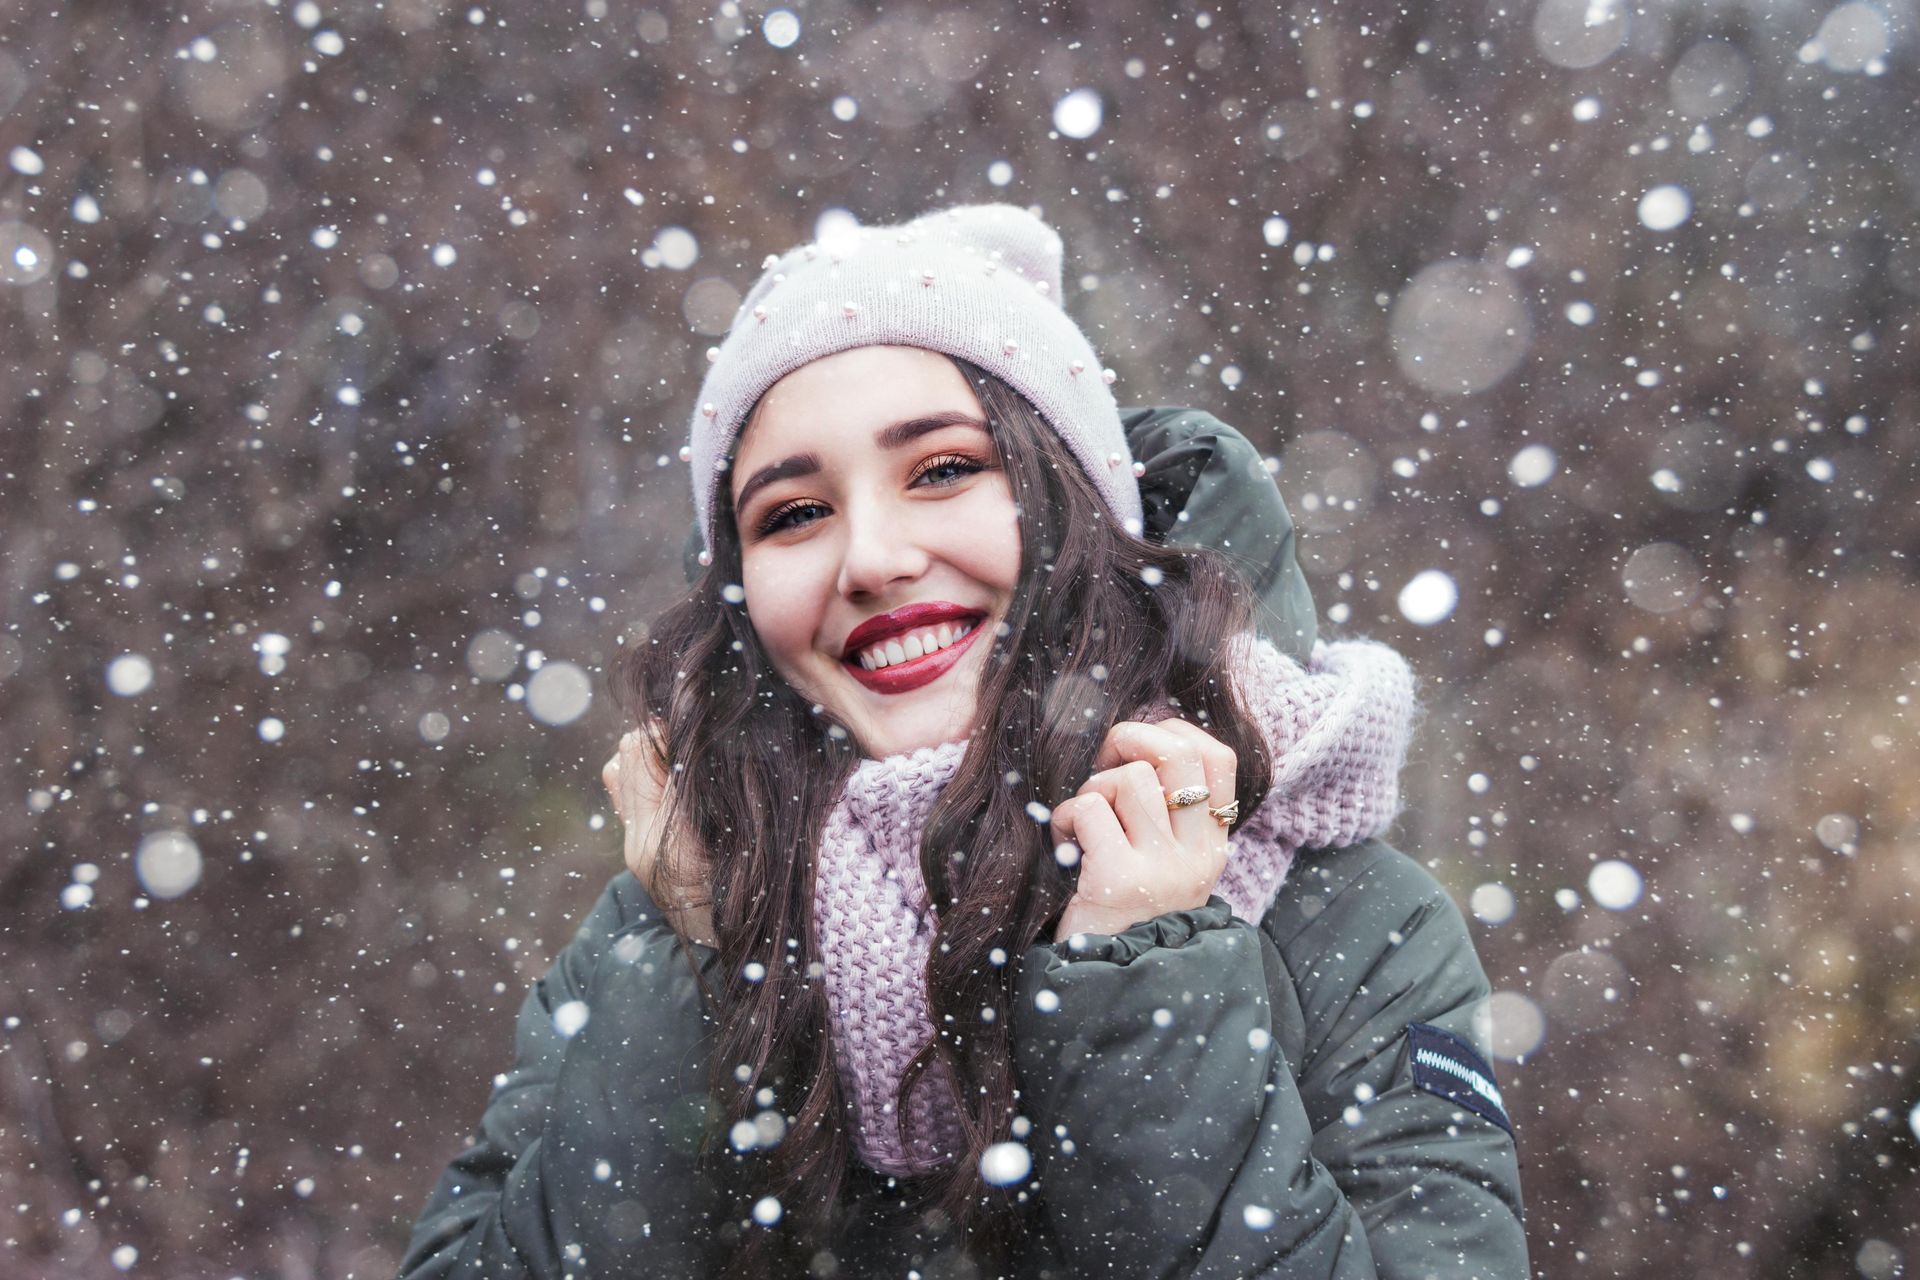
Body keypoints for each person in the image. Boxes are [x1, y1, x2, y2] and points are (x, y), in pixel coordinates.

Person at [399, 205, 1528, 1279]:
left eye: (943, 469)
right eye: (793, 513)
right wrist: (686, 961)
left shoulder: (1349, 926)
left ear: (1073, 509)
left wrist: (1143, 968)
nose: (875, 558)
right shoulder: (673, 908)